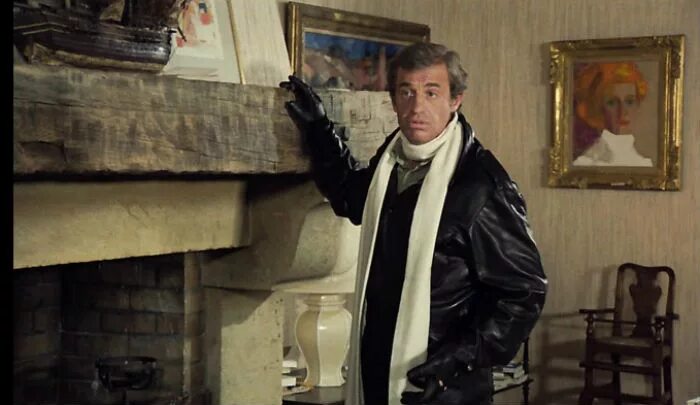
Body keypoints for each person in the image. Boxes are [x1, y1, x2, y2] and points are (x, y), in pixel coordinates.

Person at [280, 42, 547, 405]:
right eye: (406, 92)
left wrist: (458, 359)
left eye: (431, 92)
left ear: (456, 100)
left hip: (444, 384)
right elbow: (352, 197)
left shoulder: (481, 185)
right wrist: (318, 130)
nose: (417, 107)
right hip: (378, 367)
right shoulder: (392, 161)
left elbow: (523, 292)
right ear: (393, 100)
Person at [572, 62, 653, 167]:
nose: (623, 111)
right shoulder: (585, 164)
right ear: (598, 108)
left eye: (629, 102)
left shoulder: (644, 163)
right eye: (612, 102)